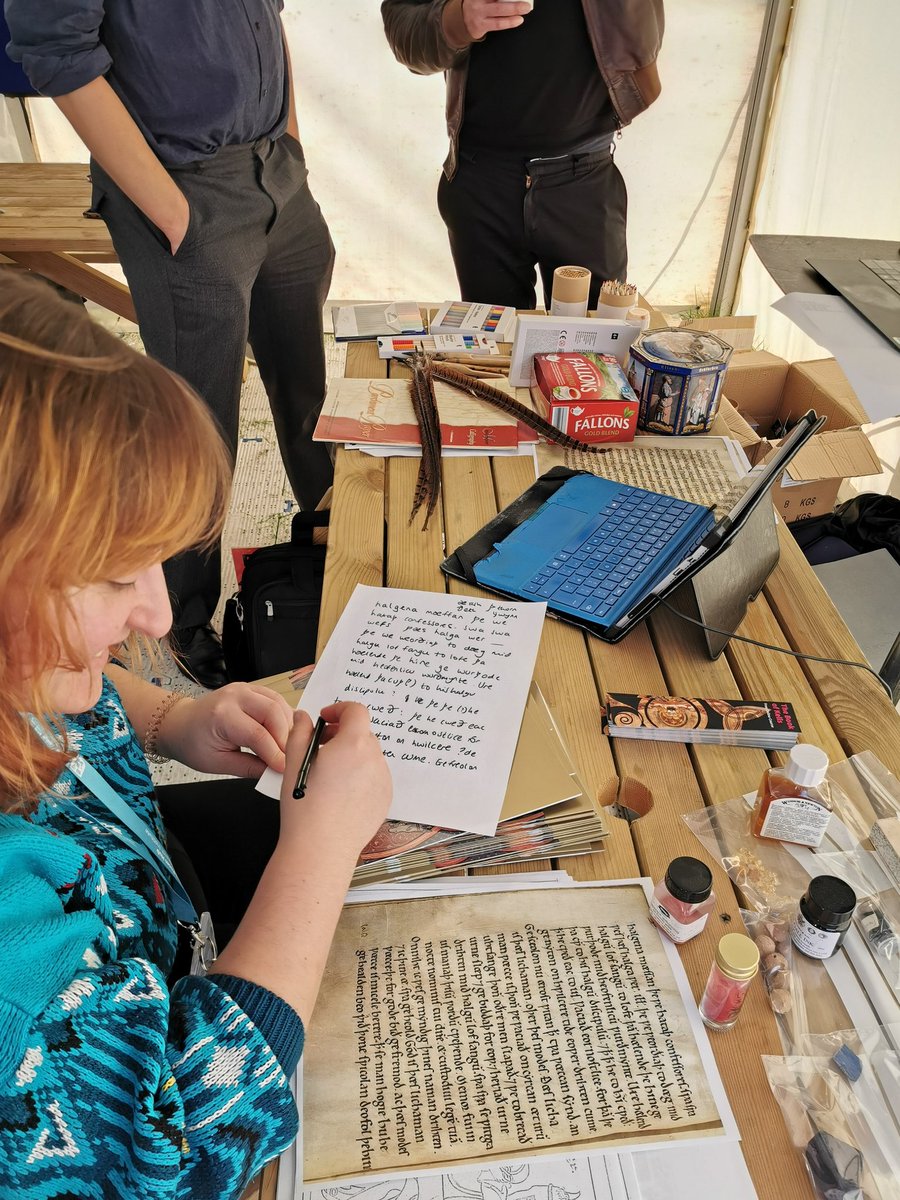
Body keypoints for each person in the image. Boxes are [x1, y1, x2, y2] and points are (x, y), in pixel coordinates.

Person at [0, 273, 392, 1198]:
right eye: (106, 574)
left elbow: (48, 692)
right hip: (156, 1043)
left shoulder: (24, 652)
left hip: (149, 898)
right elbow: (163, 1149)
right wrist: (320, 853)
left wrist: (170, 717)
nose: (151, 611)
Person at [5, 0, 337, 689]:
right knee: (200, 427)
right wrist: (172, 211)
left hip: (276, 169)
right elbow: (56, 54)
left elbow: (268, 15)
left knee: (309, 388)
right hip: (186, 185)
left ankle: (332, 541)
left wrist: (291, 147)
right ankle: (183, 626)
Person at [381, 0, 664, 310]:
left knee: (591, 350)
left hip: (587, 180)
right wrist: (458, 19)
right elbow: (403, 27)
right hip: (482, 182)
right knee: (493, 348)